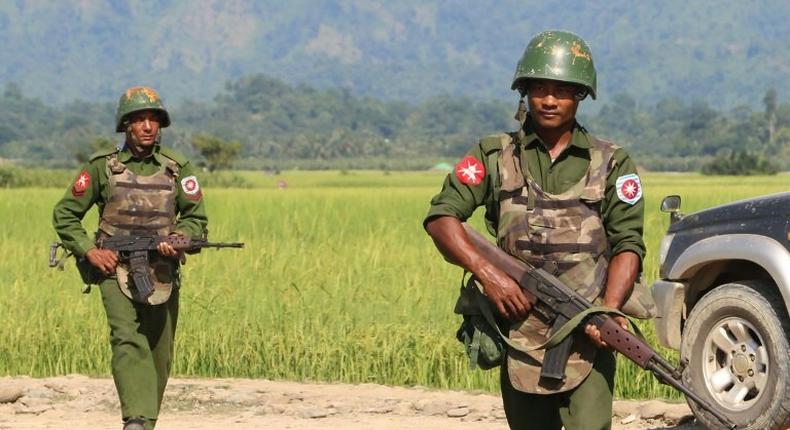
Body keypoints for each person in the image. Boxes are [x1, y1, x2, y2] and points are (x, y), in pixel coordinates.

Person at [424, 30, 645, 430]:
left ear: (580, 95)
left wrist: (607, 312)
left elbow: (628, 243)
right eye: (538, 88)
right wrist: (489, 276)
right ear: (523, 93)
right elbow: (442, 218)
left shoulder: (613, 162)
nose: (547, 99)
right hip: (518, 331)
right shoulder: (493, 155)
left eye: (561, 90)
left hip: (586, 333)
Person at [52, 86, 208, 430]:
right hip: (113, 268)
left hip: (162, 269)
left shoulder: (178, 169)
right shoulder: (100, 168)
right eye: (139, 120)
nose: (148, 127)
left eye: (153, 119)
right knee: (126, 338)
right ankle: (135, 421)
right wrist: (90, 251)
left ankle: (145, 421)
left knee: (160, 352)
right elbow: (66, 214)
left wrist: (179, 240)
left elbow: (196, 218)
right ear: (126, 125)